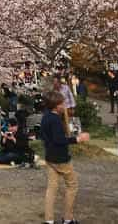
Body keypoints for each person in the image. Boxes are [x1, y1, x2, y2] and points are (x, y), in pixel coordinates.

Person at [40, 91, 89, 224]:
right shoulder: (55, 120)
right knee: (72, 185)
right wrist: (78, 139)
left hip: (49, 156)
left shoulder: (45, 117)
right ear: (56, 106)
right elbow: (59, 140)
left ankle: (49, 220)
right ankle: (68, 219)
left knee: (51, 188)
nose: (64, 105)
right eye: (62, 103)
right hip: (60, 158)